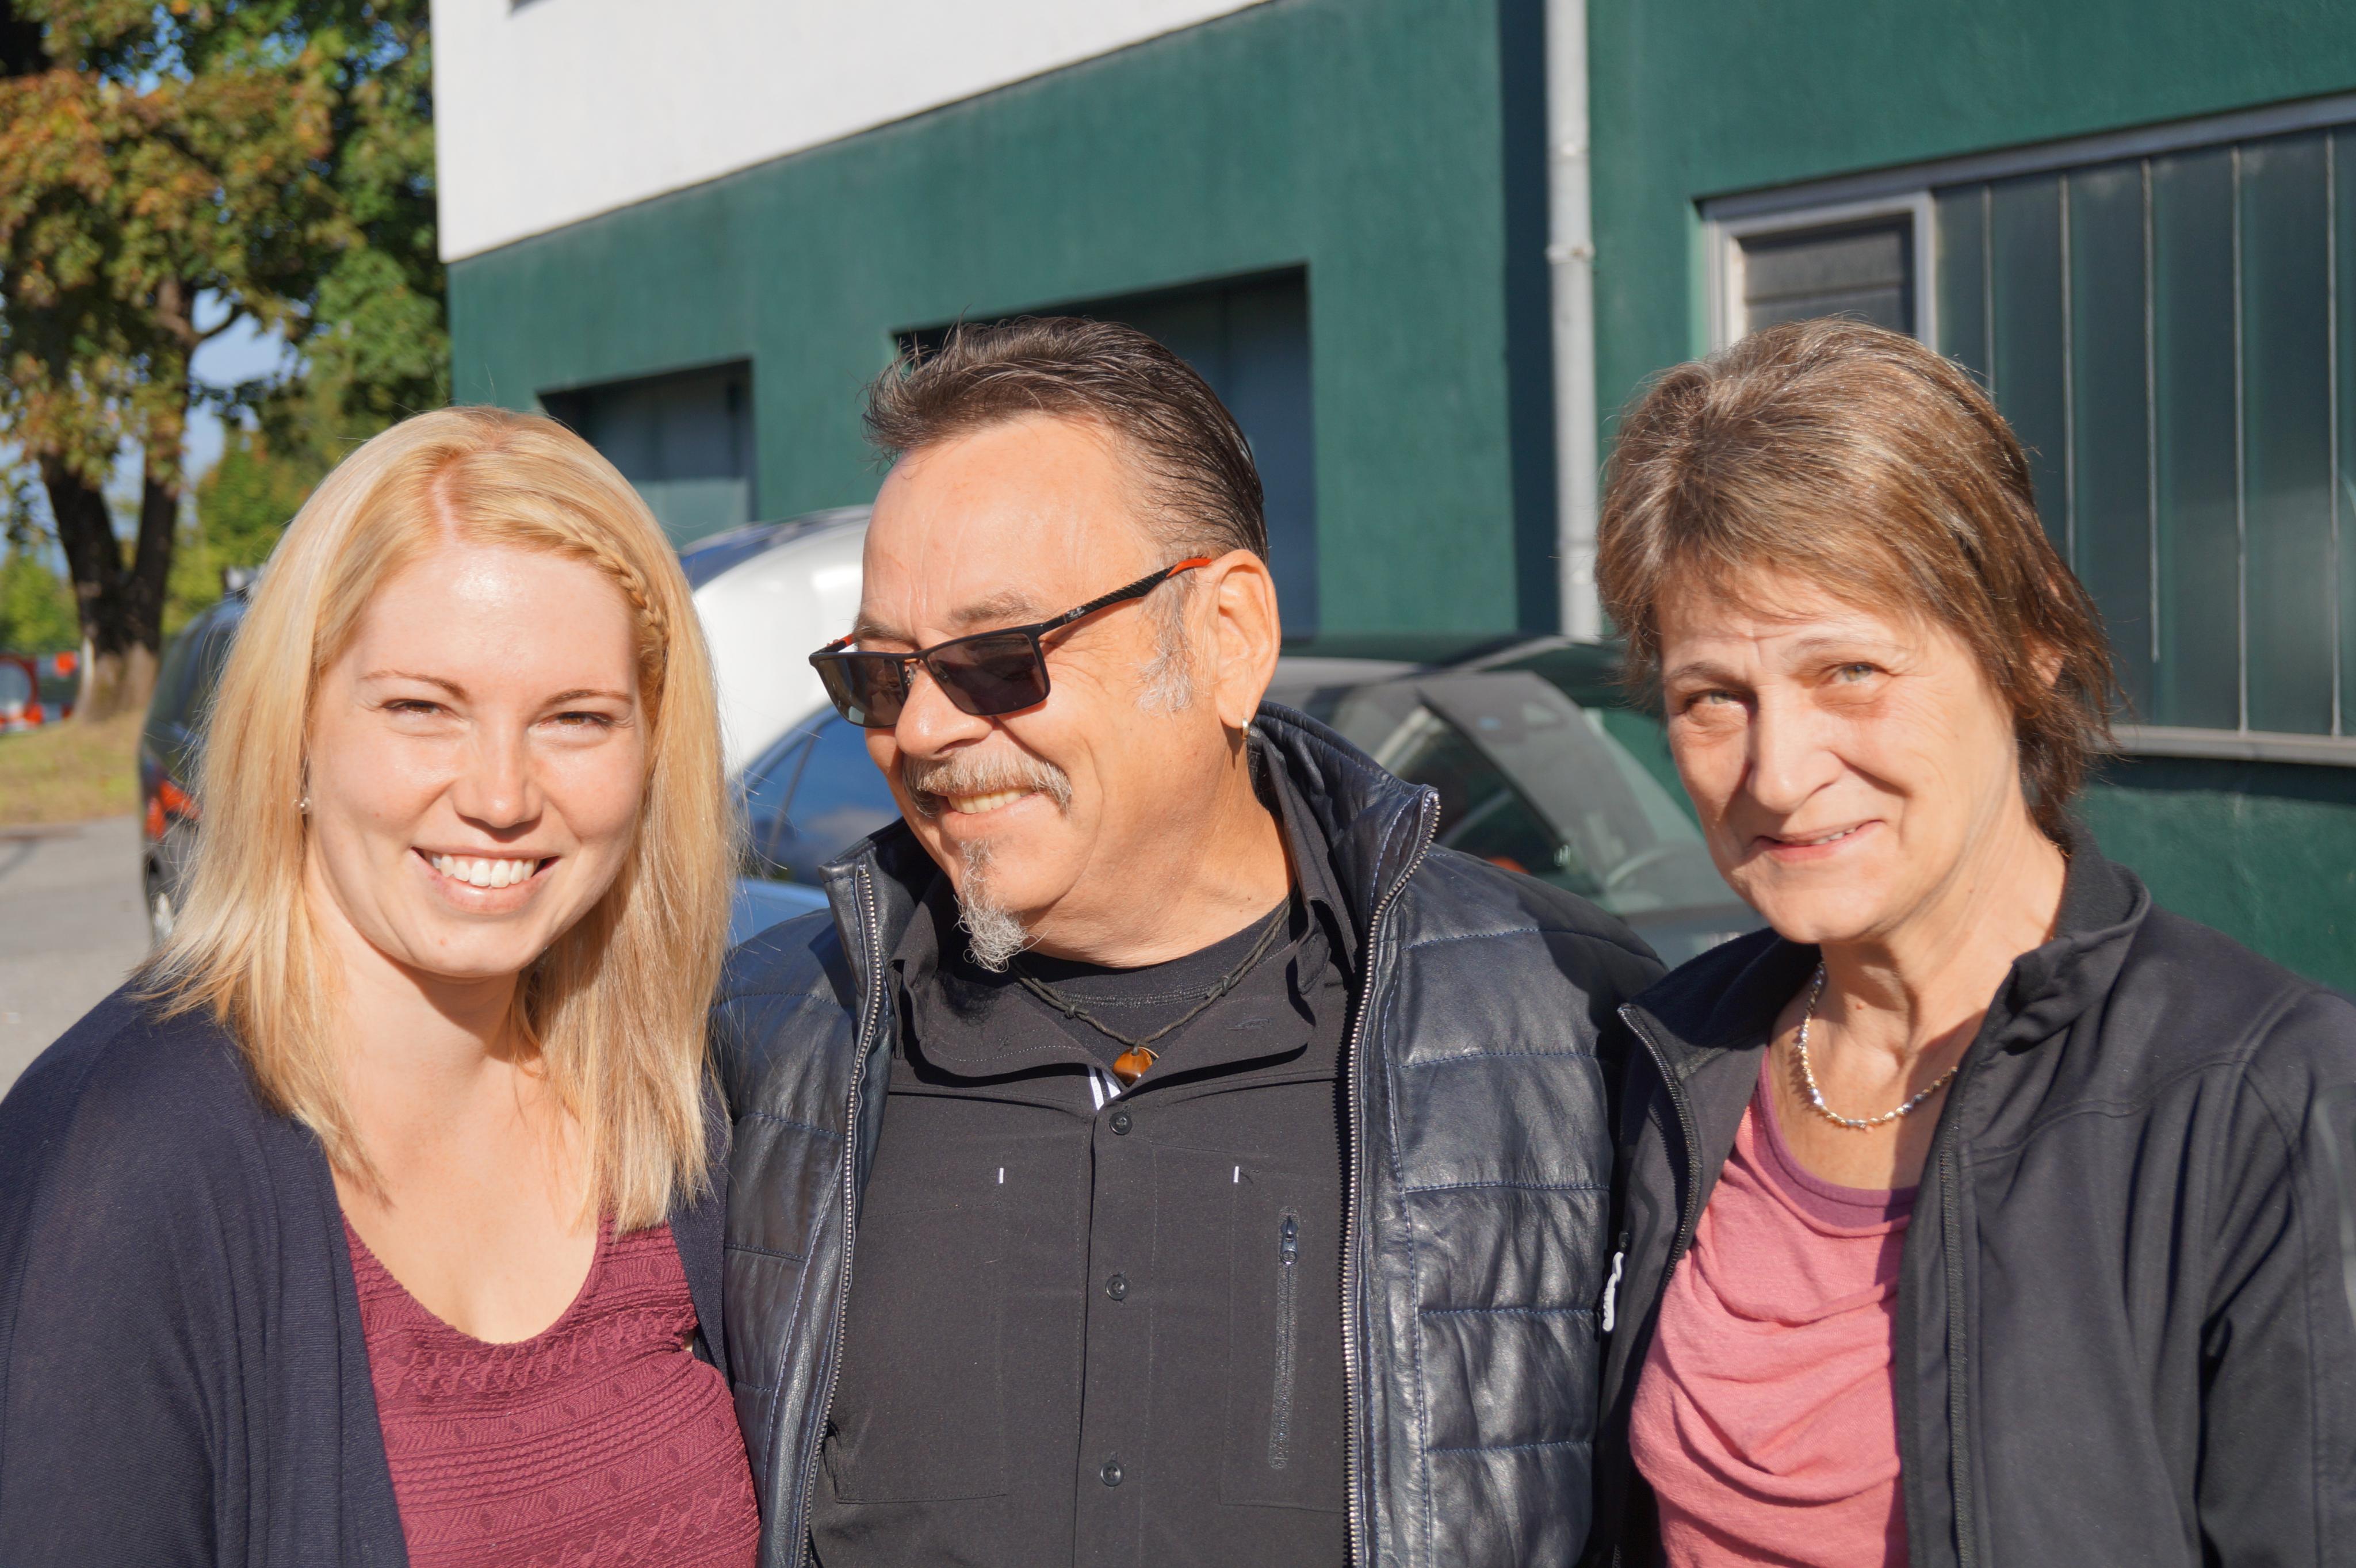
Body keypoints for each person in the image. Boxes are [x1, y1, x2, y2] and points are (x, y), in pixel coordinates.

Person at [708, 318, 1662, 1568]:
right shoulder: (769, 1036)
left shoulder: (1569, 1019)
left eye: (997, 659)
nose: (924, 729)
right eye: (881, 676)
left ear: (1225, 636)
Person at [1584, 317, 2356, 1567]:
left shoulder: (2266, 1100)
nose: (1776, 774)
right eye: (1712, 696)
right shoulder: (1674, 1058)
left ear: (2028, 647)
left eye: (1848, 670)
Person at [0, 408, 758, 1566]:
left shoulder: (670, 1105)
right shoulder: (128, 1155)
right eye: (422, 707)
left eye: (575, 719)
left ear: (654, 753)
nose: (500, 795)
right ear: (297, 726)